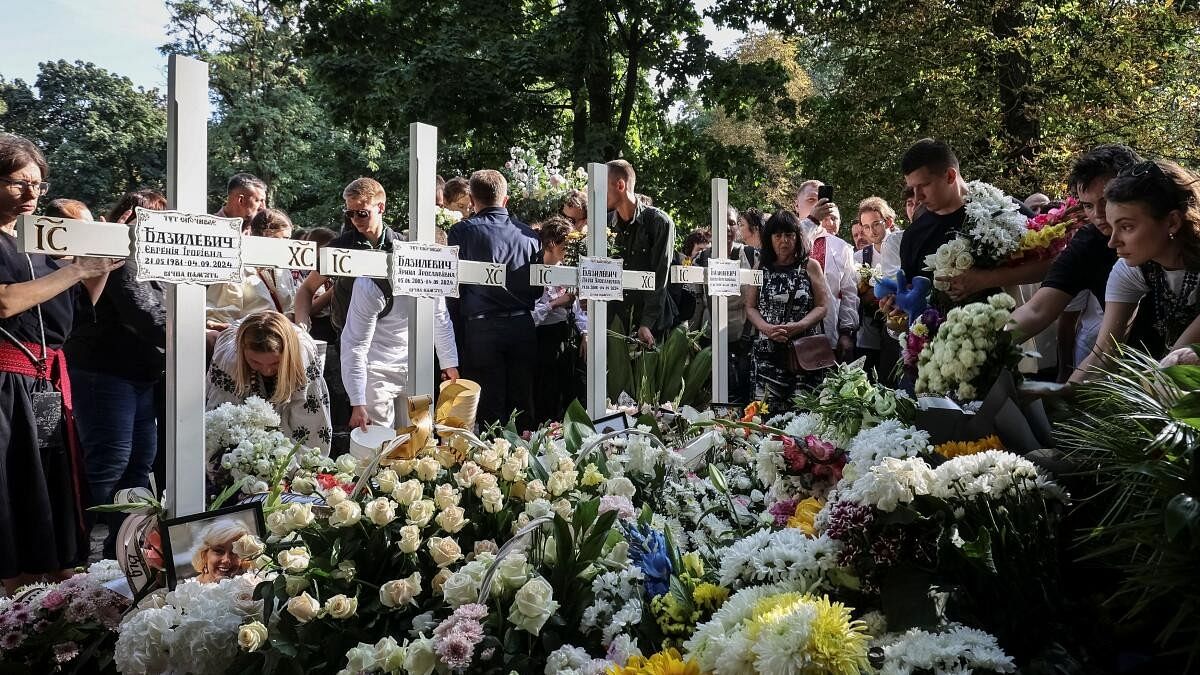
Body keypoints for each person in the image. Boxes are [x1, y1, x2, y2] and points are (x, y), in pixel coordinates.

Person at [0, 133, 123, 593]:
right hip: (4, 385)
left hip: (44, 384)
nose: (32, 194)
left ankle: (50, 598)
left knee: (46, 491)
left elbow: (67, 316)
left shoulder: (38, 243)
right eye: (19, 183)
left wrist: (97, 269)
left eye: (39, 184)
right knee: (10, 492)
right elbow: (6, 303)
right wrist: (74, 269)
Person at [65, 189, 169, 560]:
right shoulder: (120, 257)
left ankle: (121, 549)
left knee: (141, 460)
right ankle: (82, 553)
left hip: (140, 375)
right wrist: (197, 337)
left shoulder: (153, 261)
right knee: (111, 463)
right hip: (105, 374)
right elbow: (144, 316)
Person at [1009, 146, 1157, 353]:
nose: (1098, 214)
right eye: (1087, 205)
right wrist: (979, 345)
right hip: (1129, 366)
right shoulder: (1087, 243)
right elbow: (1037, 309)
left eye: (1106, 201)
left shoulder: (1176, 243)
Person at [294, 178, 400, 452]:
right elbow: (306, 289)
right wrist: (302, 324)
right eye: (349, 213)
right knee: (356, 416)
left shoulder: (401, 245)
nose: (355, 219)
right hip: (350, 339)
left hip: (393, 342)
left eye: (361, 212)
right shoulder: (340, 247)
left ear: (381, 207)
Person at [1071, 159, 1200, 382]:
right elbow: (1103, 353)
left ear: (1172, 222)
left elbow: (1173, 366)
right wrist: (1060, 393)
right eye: (1113, 227)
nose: (1112, 242)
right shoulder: (1131, 269)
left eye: (1127, 227)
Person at [448, 170, 541, 430]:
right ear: (505, 200)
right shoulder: (531, 237)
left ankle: (493, 464)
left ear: (472, 199)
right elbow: (537, 290)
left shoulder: (461, 232)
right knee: (522, 402)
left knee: (489, 406)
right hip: (522, 326)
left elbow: (453, 288)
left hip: (482, 329)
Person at [341, 262, 460, 431]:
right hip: (377, 369)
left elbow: (441, 319)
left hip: (417, 368)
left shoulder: (433, 274)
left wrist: (449, 364)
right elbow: (355, 344)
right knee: (379, 443)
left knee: (420, 437)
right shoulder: (370, 285)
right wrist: (357, 399)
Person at [207, 311, 332, 451]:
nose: (266, 370)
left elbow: (310, 422)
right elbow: (221, 417)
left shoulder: (302, 359)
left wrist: (298, 463)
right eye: (255, 362)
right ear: (242, 352)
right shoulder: (229, 359)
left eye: (274, 363)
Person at [745, 210, 830, 410]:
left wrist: (800, 325)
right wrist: (766, 328)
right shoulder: (760, 268)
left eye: (789, 235)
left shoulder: (810, 266)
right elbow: (750, 307)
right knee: (765, 415)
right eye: (778, 235)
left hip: (805, 354)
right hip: (768, 354)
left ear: (797, 237)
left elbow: (822, 306)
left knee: (805, 415)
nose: (784, 241)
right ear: (770, 238)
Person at [607, 160, 676, 346]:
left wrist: (647, 323)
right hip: (613, 323)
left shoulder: (659, 222)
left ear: (620, 185)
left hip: (650, 327)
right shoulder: (603, 224)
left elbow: (660, 277)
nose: (595, 194)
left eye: (601, 186)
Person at [531, 216, 588, 423]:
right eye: (566, 245)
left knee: (564, 393)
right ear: (552, 244)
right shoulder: (535, 269)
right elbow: (531, 317)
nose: (569, 250)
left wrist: (585, 332)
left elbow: (577, 308)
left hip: (563, 335)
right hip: (541, 339)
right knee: (544, 393)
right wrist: (554, 303)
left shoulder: (566, 270)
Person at [794, 180, 858, 359]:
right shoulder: (782, 238)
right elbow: (793, 251)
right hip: (789, 334)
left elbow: (848, 292)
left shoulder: (841, 247)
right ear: (796, 204)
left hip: (829, 337)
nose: (817, 205)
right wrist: (812, 220)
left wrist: (847, 332)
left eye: (820, 199)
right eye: (811, 200)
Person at [207, 208, 299, 331]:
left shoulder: (283, 269)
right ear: (265, 235)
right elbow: (218, 320)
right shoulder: (235, 269)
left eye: (289, 240)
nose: (287, 246)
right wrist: (254, 330)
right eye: (283, 240)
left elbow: (292, 306)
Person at [854, 197, 894, 378]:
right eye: (866, 226)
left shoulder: (902, 249)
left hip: (898, 331)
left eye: (876, 224)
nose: (872, 231)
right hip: (869, 334)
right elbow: (851, 296)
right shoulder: (859, 258)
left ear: (888, 222)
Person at [190, 518, 251, 583]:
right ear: (204, 554)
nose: (226, 560)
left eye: (234, 552)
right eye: (219, 551)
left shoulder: (249, 585)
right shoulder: (185, 590)